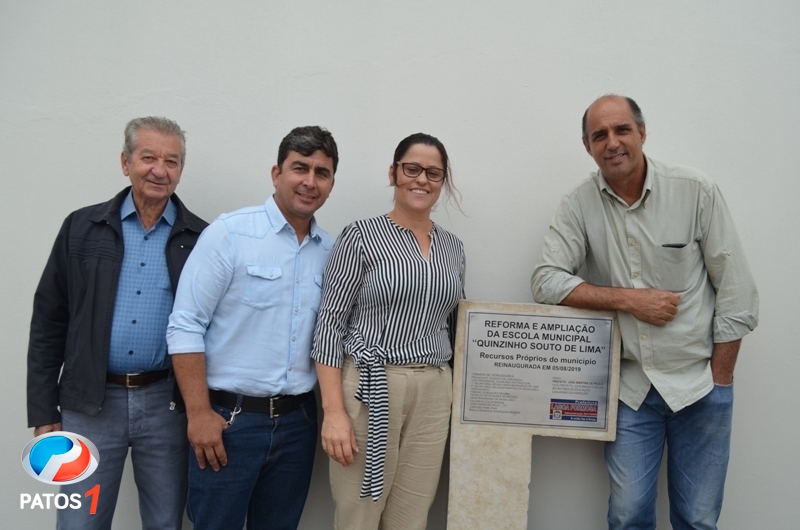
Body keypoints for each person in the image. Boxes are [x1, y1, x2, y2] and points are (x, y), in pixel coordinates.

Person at [531, 95, 759, 530]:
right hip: (630, 391)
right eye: (600, 135)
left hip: (700, 386)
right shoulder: (579, 204)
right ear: (588, 146)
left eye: (622, 130)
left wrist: (721, 380)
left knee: (697, 519)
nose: (612, 142)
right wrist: (629, 300)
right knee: (628, 515)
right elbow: (546, 281)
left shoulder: (695, 190)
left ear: (642, 132)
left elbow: (737, 291)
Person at [26, 116, 207, 529]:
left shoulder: (199, 239)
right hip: (89, 403)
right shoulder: (81, 228)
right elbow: (49, 320)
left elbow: (210, 329)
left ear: (180, 170)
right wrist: (43, 408)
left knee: (165, 522)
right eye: (148, 158)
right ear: (126, 163)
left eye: (172, 161)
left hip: (166, 404)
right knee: (80, 522)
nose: (159, 170)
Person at [166, 126, 338, 530]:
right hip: (229, 423)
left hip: (298, 424)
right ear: (276, 173)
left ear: (331, 183)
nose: (310, 181)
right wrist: (199, 414)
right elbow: (185, 324)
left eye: (322, 172)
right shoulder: (230, 234)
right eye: (300, 168)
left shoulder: (330, 252)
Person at [312, 133, 466, 530]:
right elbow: (329, 323)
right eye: (411, 169)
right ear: (393, 173)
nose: (422, 179)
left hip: (434, 390)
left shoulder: (453, 248)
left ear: (443, 181)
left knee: (410, 518)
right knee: (359, 514)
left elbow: (453, 322)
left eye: (433, 173)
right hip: (370, 386)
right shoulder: (360, 236)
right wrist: (333, 412)